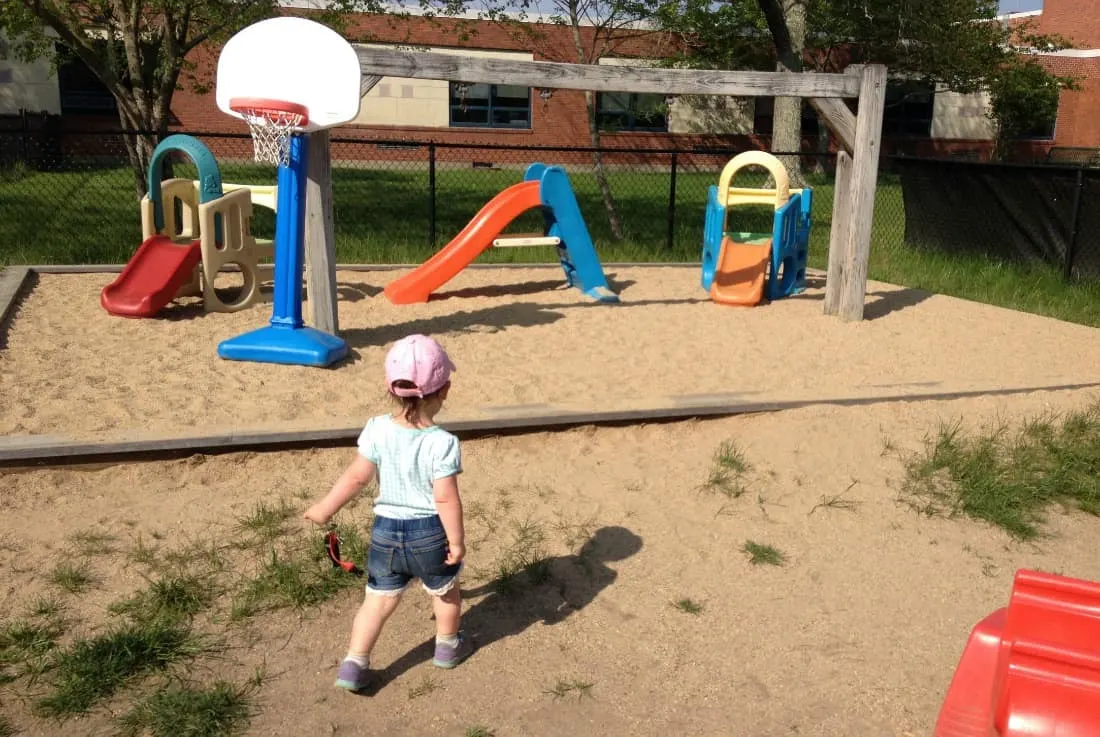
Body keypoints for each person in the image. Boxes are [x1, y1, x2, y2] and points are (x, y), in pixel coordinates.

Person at [303, 333, 472, 692]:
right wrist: (455, 543)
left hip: (385, 535)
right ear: (445, 390)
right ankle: (446, 647)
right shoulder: (442, 442)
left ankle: (354, 662)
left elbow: (356, 477)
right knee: (445, 593)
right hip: (429, 533)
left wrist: (324, 508)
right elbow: (445, 499)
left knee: (377, 603)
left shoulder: (377, 429)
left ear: (390, 387)